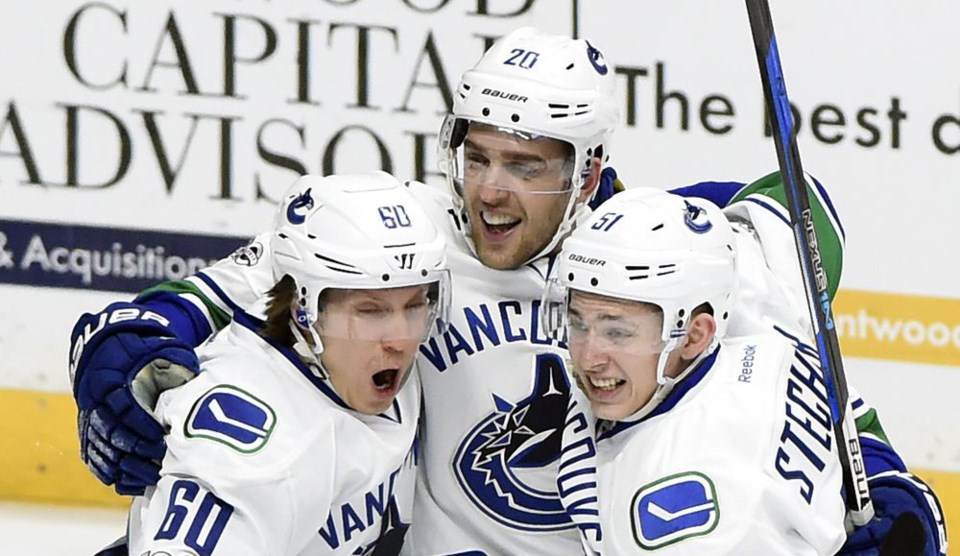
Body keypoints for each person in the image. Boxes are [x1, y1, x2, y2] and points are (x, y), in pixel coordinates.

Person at [69, 28, 945, 555]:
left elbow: (802, 368)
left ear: (588, 167)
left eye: (525, 166)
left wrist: (890, 490)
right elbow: (194, 304)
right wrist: (124, 358)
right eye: (478, 156)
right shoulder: (405, 240)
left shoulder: (657, 267)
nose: (489, 191)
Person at [547, 187, 946, 554]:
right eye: (579, 322)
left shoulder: (688, 515)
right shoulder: (762, 319)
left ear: (694, 335)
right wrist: (889, 484)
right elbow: (800, 199)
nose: (589, 357)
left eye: (617, 332)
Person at [83, 171, 451, 555]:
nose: (401, 341)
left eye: (413, 306)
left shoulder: (357, 343)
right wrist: (118, 340)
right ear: (303, 308)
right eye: (370, 312)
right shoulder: (252, 459)